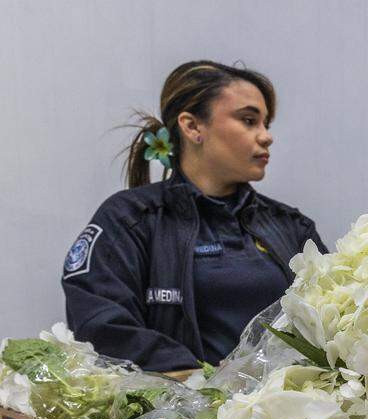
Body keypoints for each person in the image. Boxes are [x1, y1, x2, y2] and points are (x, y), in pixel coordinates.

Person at [62, 60, 326, 372]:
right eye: (249, 120)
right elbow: (101, 325)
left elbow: (332, 320)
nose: (266, 136)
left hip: (284, 417)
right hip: (174, 417)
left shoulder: (291, 227)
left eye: (266, 124)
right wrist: (206, 387)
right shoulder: (129, 220)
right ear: (192, 127)